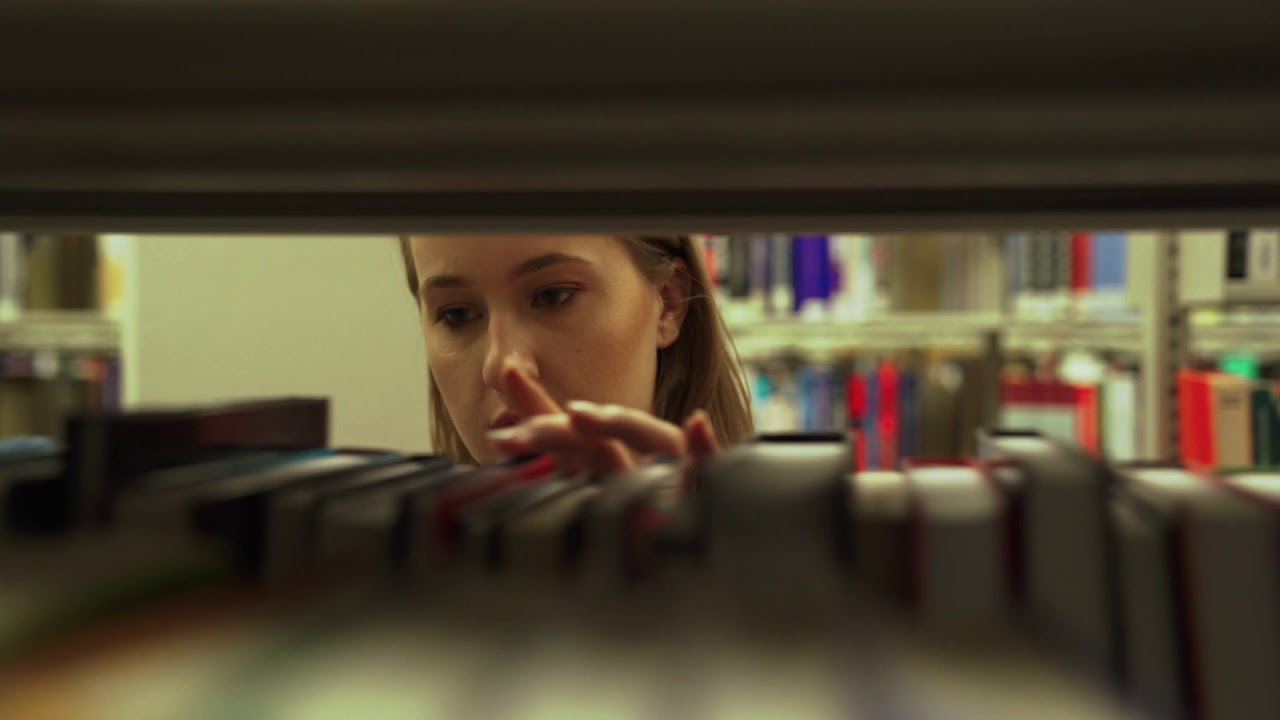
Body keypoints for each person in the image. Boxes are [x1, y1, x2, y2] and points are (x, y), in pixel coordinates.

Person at [398, 235, 753, 470]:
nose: (501, 365)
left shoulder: (762, 549)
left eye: (553, 296)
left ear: (669, 304)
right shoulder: (409, 559)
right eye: (457, 315)